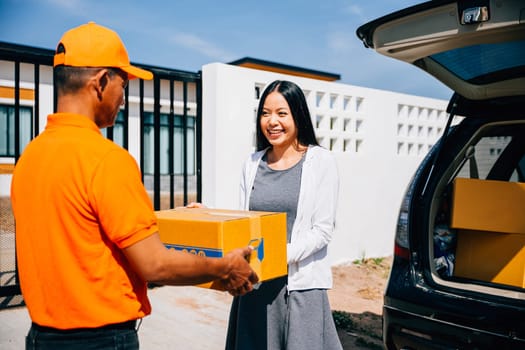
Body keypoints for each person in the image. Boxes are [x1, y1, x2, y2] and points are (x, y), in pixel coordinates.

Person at [10, 22, 258, 350]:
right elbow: (155, 264)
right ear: (101, 82)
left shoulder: (30, 157)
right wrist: (224, 267)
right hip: (100, 340)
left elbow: (84, 231)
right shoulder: (106, 159)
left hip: (41, 337)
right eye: (123, 84)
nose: (123, 99)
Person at [224, 80, 343, 349]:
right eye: (265, 113)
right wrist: (206, 213)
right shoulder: (252, 163)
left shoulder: (320, 161)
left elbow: (322, 230)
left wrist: (279, 255)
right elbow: (243, 221)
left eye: (281, 113)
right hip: (256, 285)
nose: (272, 121)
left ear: (298, 115)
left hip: (301, 287)